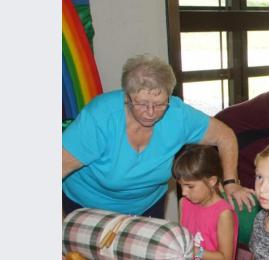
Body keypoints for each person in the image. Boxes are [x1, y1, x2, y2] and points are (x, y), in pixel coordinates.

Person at [62, 53, 255, 218]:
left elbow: (225, 136)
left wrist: (231, 182)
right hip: (87, 205)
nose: (151, 112)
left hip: (147, 205)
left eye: (160, 104)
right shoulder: (100, 118)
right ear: (126, 97)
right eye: (142, 103)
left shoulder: (178, 115)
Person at [173, 144, 238, 260]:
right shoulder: (184, 203)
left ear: (211, 181)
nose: (184, 192)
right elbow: (183, 238)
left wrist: (195, 251)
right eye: (181, 186)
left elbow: (225, 259)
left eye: (190, 186)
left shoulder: (223, 213)